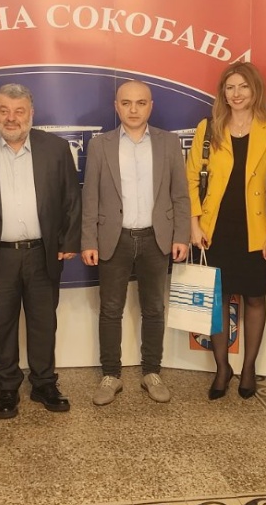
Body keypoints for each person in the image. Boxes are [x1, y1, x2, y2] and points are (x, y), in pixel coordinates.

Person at [0, 83, 81, 419]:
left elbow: (72, 197)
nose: (11, 118)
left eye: (19, 111)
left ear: (31, 113)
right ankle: (7, 386)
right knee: (1, 324)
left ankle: (44, 383)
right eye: (4, 111)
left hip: (42, 253)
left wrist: (69, 241)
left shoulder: (55, 148)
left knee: (43, 322)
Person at [80, 80, 192, 405]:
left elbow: (180, 195)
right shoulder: (100, 145)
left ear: (150, 106)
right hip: (113, 238)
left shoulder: (168, 143)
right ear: (116, 106)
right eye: (126, 103)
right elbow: (90, 197)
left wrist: (181, 235)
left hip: (156, 237)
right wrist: (88, 239)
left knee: (154, 308)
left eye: (140, 103)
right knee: (110, 309)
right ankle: (110, 375)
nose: (133, 109)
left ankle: (151, 372)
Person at [186, 61, 266, 400]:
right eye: (230, 87)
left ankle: (249, 367)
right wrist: (194, 223)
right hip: (216, 228)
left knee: (255, 297)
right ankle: (222, 368)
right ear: (223, 93)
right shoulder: (209, 127)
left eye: (243, 86)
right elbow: (191, 177)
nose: (237, 94)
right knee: (218, 300)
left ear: (255, 90)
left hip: (257, 228)